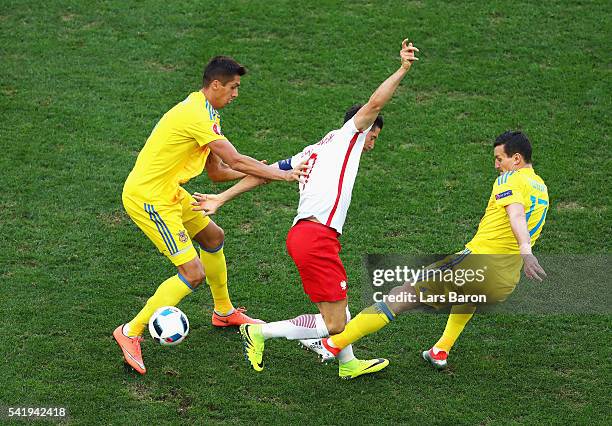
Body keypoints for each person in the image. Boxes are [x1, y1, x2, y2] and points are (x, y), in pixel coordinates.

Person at [192, 39, 420, 379]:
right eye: (374, 136)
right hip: (317, 237)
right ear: (364, 127)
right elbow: (375, 102)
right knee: (336, 322)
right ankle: (260, 332)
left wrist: (221, 198)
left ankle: (348, 363)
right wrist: (402, 68)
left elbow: (265, 175)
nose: (373, 142)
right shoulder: (348, 136)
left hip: (304, 236)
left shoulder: (314, 148)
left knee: (334, 311)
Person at [113, 56, 307, 375]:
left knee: (213, 236)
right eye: (233, 87)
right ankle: (130, 332)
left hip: (169, 191)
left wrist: (262, 170)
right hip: (149, 199)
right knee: (193, 273)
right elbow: (234, 158)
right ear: (215, 85)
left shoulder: (208, 113)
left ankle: (223, 311)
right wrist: (278, 174)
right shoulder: (195, 115)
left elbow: (217, 171)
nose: (235, 94)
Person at [320, 130, 549, 370]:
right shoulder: (541, 188)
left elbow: (516, 214)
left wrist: (525, 249)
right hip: (505, 280)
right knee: (468, 298)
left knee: (401, 295)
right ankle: (440, 350)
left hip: (477, 264)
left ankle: (334, 344)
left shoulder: (510, 179)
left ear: (516, 159)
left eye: (500, 158)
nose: (496, 165)